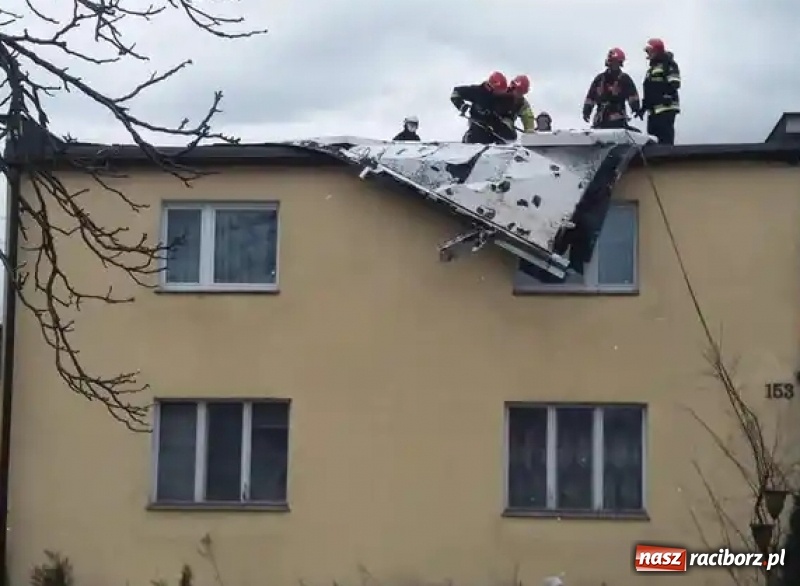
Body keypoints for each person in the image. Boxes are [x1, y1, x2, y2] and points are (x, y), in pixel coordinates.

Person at [582, 48, 641, 129]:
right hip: (600, 119)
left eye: (617, 62)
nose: (614, 65)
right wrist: (586, 111)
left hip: (617, 119)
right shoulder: (600, 79)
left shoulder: (624, 78)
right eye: (613, 62)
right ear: (609, 62)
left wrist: (635, 108)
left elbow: (633, 95)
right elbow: (591, 97)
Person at [637, 37, 680, 145]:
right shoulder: (651, 69)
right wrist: (643, 107)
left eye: (649, 51)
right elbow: (649, 90)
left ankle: (668, 160)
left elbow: (675, 83)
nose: (648, 54)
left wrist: (665, 95)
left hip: (666, 108)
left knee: (665, 139)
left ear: (656, 50)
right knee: (653, 139)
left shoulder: (668, 64)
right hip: (653, 111)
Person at [450, 71, 509, 144]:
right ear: (491, 87)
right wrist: (461, 105)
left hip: (495, 128)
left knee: (509, 135)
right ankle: (468, 140)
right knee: (479, 133)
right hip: (478, 125)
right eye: (499, 90)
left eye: (502, 91)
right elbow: (456, 93)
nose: (500, 93)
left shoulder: (502, 98)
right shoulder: (477, 91)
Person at [495, 74, 536, 140]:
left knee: (508, 128)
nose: (519, 94)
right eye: (518, 90)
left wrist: (530, 133)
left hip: (505, 130)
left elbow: (528, 118)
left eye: (522, 92)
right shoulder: (499, 93)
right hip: (487, 124)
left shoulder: (523, 104)